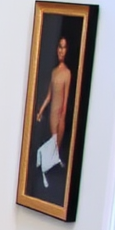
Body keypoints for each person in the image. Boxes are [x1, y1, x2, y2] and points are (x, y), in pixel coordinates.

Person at [34, 33, 72, 187]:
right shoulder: (54, 72)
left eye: (64, 48)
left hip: (60, 115)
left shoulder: (67, 73)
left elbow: (66, 98)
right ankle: (47, 168)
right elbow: (49, 96)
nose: (61, 51)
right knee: (52, 144)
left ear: (66, 50)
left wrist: (62, 116)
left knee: (56, 144)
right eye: (59, 47)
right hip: (52, 115)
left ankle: (49, 168)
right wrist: (41, 111)